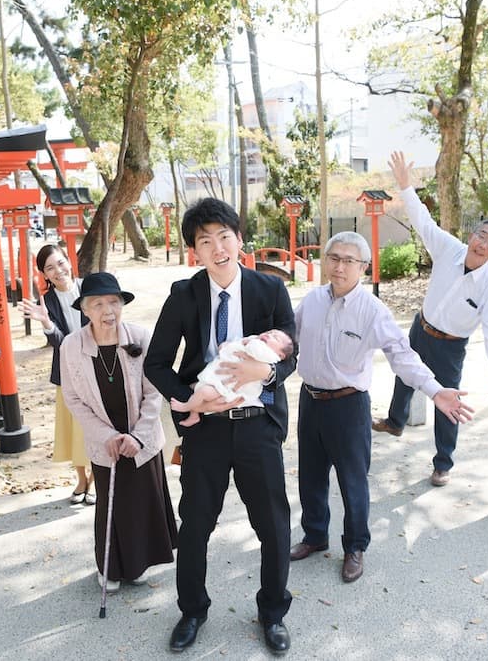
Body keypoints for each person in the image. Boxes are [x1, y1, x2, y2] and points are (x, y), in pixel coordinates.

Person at [145, 198, 296, 654]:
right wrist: (189, 398)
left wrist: (263, 374)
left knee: (273, 525)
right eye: (205, 241)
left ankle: (273, 612)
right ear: (195, 250)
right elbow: (156, 363)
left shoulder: (270, 290)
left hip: (257, 426)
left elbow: (293, 350)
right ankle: (192, 610)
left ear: (239, 240)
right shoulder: (184, 294)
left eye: (224, 237)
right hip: (205, 427)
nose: (217, 248)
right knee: (194, 525)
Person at [292, 232, 474, 583]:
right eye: (334, 257)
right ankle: (314, 536)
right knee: (311, 475)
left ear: (363, 267)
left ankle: (355, 546)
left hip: (348, 406)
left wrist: (435, 391)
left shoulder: (372, 311)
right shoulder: (311, 301)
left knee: (352, 480)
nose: (340, 266)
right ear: (325, 260)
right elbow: (288, 341)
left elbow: (402, 356)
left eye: (349, 260)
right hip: (310, 400)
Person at [372, 151, 488, 488]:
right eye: (482, 235)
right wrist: (406, 187)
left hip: (451, 345)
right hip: (422, 326)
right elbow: (423, 221)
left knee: (448, 402)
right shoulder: (449, 248)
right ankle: (395, 420)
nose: (484, 244)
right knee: (404, 374)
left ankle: (443, 463)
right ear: (472, 235)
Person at [59, 272, 177, 592]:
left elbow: (154, 393)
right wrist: (105, 436)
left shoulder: (140, 335)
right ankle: (109, 567)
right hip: (104, 441)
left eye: (114, 301)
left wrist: (138, 435)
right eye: (98, 304)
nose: (107, 310)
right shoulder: (71, 345)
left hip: (142, 439)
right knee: (110, 505)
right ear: (85, 309)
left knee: (142, 501)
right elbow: (72, 398)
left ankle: (139, 564)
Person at [20, 244, 95, 505]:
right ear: (45, 274)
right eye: (50, 268)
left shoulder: (90, 287)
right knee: (72, 426)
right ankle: (81, 479)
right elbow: (61, 344)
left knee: (96, 425)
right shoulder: (48, 302)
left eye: (60, 263)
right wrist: (47, 323)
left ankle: (96, 479)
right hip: (68, 373)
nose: (58, 270)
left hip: (98, 369)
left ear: (69, 261)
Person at [169, 328, 294, 427]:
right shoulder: (256, 341)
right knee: (194, 388)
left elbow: (256, 350)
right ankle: (194, 414)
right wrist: (228, 345)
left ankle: (186, 407)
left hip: (228, 387)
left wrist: (251, 342)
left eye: (275, 338)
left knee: (202, 392)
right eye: (269, 332)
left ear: (280, 355)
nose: (269, 335)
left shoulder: (268, 354)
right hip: (218, 378)